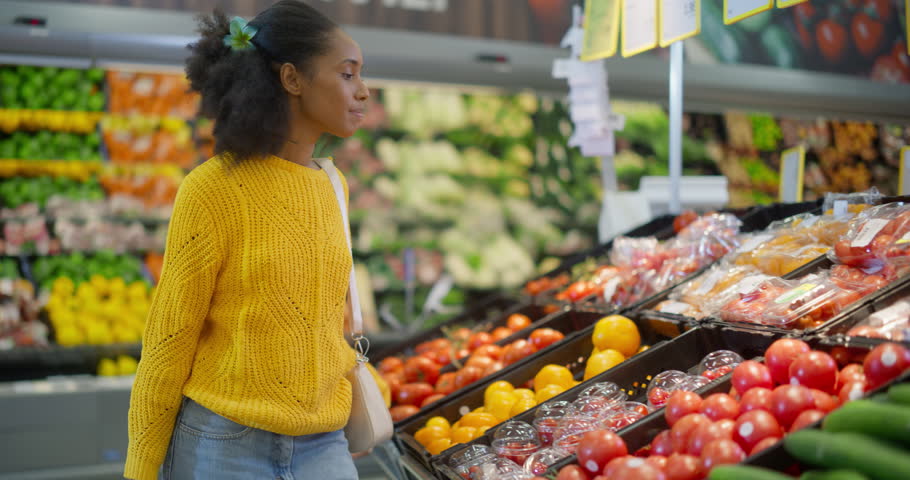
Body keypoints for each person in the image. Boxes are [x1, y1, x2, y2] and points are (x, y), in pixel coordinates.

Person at [124, 1, 370, 479]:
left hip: (325, 445)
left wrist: (349, 388)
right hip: (223, 442)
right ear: (292, 79)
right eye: (347, 74)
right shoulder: (212, 189)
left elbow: (322, 319)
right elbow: (168, 342)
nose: (362, 91)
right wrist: (141, 465)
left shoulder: (333, 185)